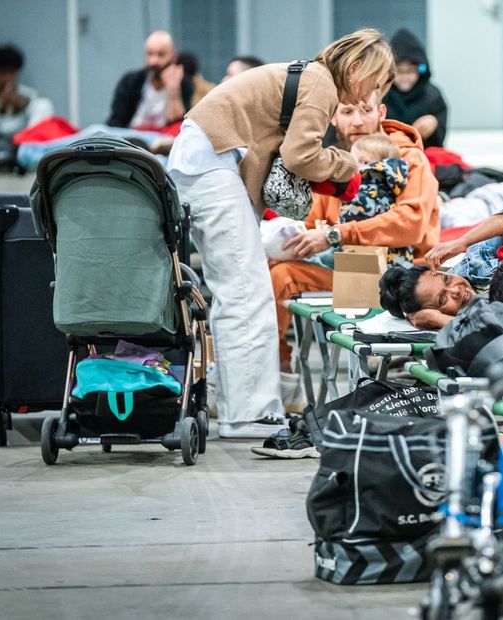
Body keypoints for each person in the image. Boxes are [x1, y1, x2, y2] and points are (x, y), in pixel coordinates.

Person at [166, 28, 393, 438]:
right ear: (356, 67)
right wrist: (345, 168)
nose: (369, 98)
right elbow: (299, 154)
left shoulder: (307, 75)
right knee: (247, 294)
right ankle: (248, 415)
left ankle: (242, 406)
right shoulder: (321, 83)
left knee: (238, 291)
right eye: (372, 84)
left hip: (203, 164)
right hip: (212, 168)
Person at [270, 86, 439, 371]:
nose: (358, 121)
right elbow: (313, 225)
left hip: (405, 273)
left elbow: (410, 224)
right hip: (349, 269)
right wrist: (288, 244)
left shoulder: (410, 159)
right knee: (277, 271)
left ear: (381, 112)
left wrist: (336, 235)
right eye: (347, 111)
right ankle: (277, 370)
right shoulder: (332, 163)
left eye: (366, 110)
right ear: (333, 117)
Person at [377, 197, 503, 329]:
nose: (455, 290)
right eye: (442, 299)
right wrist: (440, 320)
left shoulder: (478, 261)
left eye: (446, 280)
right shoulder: (462, 325)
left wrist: (463, 241)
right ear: (430, 313)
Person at [304, 133, 410, 270]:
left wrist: (329, 232)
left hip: (372, 263)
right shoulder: (389, 186)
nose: (356, 167)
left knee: (309, 260)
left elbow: (354, 216)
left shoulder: (369, 185)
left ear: (382, 164)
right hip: (394, 261)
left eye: (364, 162)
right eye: (353, 161)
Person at [0, 44, 54, 169]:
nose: (7, 77)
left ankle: (26, 150)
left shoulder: (28, 95)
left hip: (22, 139)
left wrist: (19, 105)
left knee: (44, 104)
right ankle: (2, 148)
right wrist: (0, 107)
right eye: (2, 72)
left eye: (11, 72)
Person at [107, 31, 193, 130]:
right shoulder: (130, 81)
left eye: (161, 55)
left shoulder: (184, 83)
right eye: (150, 54)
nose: (154, 61)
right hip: (130, 137)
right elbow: (116, 120)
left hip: (163, 140)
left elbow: (179, 125)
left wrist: (174, 91)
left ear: (173, 57)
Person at [383, 29, 447, 149]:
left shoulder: (433, 95)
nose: (405, 77)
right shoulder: (380, 94)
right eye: (399, 71)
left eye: (411, 70)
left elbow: (440, 141)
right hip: (387, 154)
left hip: (424, 154)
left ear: (420, 70)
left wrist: (434, 123)